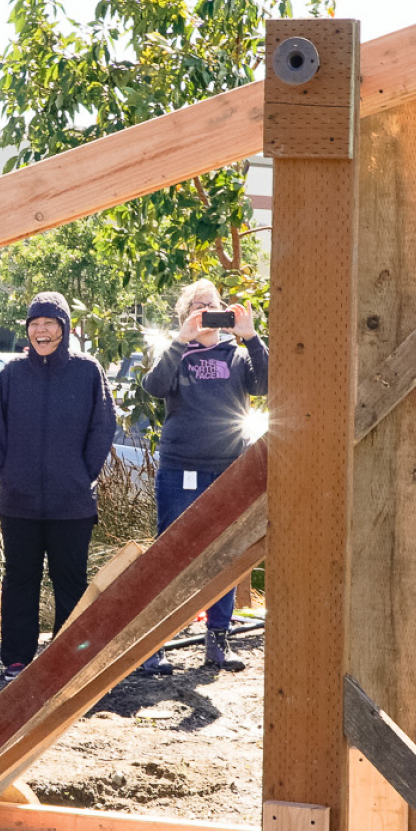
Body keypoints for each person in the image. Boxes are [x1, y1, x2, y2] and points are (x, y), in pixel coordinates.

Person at [0, 291, 118, 677]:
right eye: (34, 324)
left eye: (49, 323)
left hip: (72, 504)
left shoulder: (87, 370)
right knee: (19, 582)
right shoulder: (12, 374)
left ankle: (69, 662)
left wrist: (82, 474)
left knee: (71, 584)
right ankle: (16, 660)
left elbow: (103, 426)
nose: (41, 331)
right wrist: (10, 474)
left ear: (64, 327)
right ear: (28, 331)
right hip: (18, 503)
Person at [140, 279, 266, 671]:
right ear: (185, 315)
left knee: (224, 554)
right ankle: (154, 644)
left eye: (212, 305)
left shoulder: (236, 355)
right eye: (197, 306)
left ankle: (218, 640)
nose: (206, 312)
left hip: (227, 467)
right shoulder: (175, 352)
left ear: (225, 311)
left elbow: (267, 384)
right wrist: (182, 340)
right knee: (170, 554)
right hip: (180, 467)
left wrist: (251, 337)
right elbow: (154, 387)